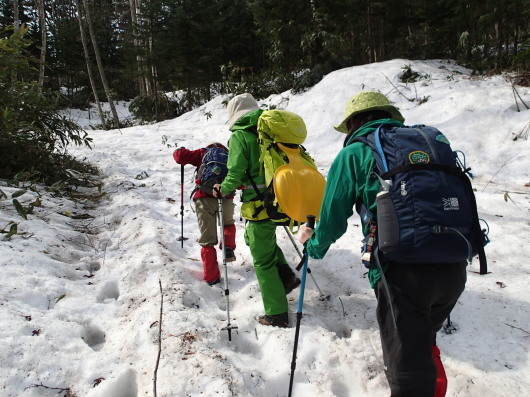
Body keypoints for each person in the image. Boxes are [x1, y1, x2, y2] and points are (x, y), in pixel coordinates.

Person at [299, 91, 466, 397]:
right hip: (454, 260)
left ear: (353, 123)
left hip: (402, 272)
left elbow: (333, 217)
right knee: (423, 345)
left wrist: (314, 247)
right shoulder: (426, 142)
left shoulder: (355, 154)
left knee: (408, 371)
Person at [213, 93, 300, 328]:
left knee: (262, 262)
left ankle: (277, 314)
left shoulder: (240, 136)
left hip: (260, 205)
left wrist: (224, 188)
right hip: (282, 199)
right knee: (253, 239)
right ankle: (286, 275)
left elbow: (236, 171)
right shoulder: (271, 131)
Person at [173, 143, 237, 286]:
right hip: (225, 198)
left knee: (207, 239)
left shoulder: (203, 153)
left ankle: (211, 276)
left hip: (203, 198)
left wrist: (179, 150)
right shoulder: (231, 156)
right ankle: (228, 247)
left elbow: (180, 157)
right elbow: (239, 180)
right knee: (228, 224)